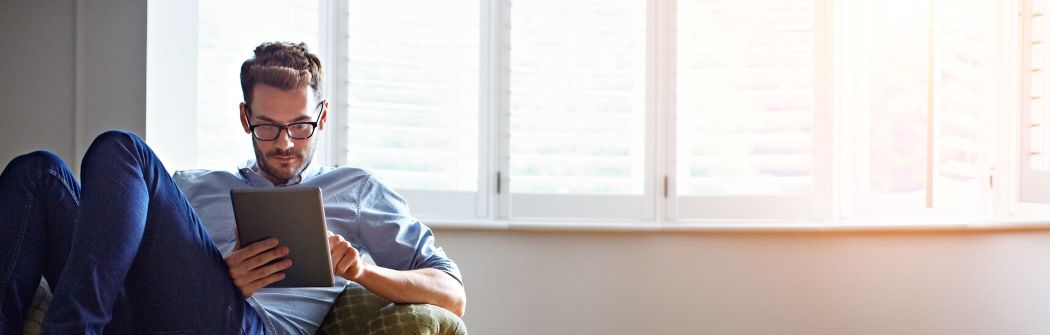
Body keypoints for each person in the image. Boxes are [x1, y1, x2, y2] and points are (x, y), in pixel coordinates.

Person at [0, 41, 465, 334]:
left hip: (244, 326)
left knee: (123, 147)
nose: (285, 144)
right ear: (245, 118)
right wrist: (219, 272)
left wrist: (363, 271)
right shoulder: (193, 187)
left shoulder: (356, 188)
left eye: (301, 126)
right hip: (136, 313)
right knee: (38, 172)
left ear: (322, 117)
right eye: (266, 126)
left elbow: (452, 294)